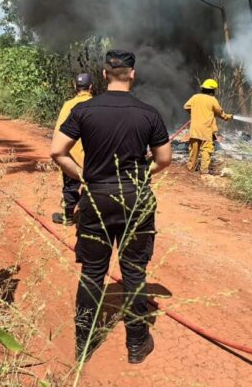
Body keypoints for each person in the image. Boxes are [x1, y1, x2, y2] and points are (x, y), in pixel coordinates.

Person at [50, 50, 172, 365]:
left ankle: (83, 345)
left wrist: (84, 177)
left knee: (92, 272)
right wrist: (142, 174)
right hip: (136, 199)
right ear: (132, 74)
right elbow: (164, 159)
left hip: (96, 198)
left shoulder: (84, 110)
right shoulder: (149, 113)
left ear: (104, 75)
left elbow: (57, 151)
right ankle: (136, 345)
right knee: (134, 271)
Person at [52, 73, 94, 226]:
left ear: (74, 86)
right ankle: (89, 214)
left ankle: (68, 217)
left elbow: (58, 133)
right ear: (91, 87)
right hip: (92, 156)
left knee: (70, 187)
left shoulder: (68, 105)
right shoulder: (97, 104)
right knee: (93, 184)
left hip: (71, 156)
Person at [183, 79, 233, 175]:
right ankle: (204, 171)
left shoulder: (195, 97)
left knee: (194, 150)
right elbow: (220, 113)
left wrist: (194, 111)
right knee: (207, 149)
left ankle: (191, 168)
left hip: (195, 129)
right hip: (206, 130)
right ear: (212, 90)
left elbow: (186, 107)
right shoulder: (212, 100)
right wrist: (229, 117)